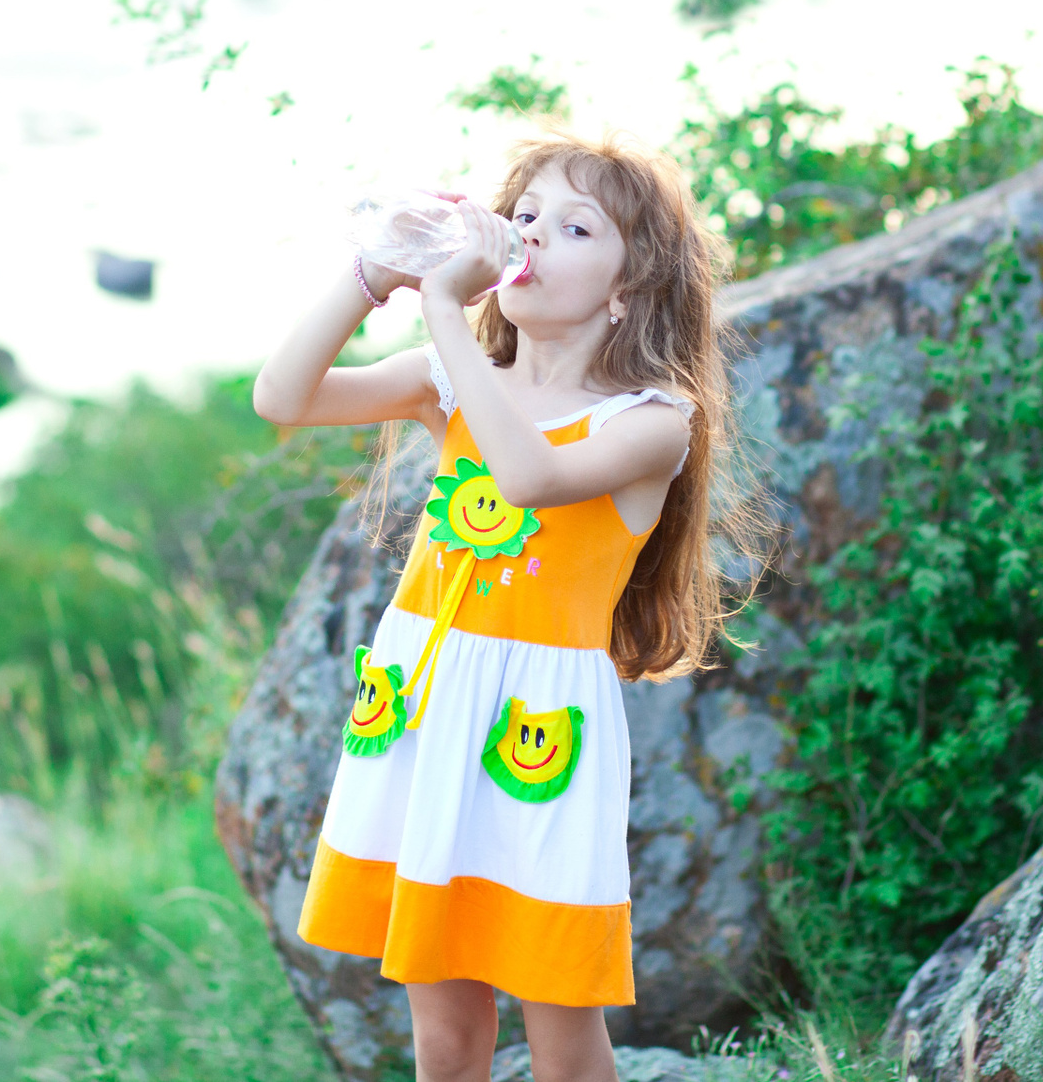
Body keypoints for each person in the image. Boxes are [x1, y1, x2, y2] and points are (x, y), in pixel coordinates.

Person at [252, 133, 740, 1082]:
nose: (533, 236)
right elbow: (282, 396)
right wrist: (375, 273)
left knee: (562, 1031)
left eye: (575, 227)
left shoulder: (650, 422)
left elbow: (528, 477)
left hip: (537, 731)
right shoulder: (452, 381)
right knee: (444, 1030)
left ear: (628, 287)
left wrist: (444, 311)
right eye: (524, 216)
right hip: (428, 709)